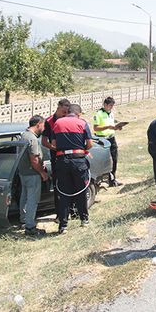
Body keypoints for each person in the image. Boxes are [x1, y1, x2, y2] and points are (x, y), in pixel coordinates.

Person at [51, 104, 93, 234]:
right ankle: (84, 220)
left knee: (64, 193)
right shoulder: (82, 123)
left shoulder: (57, 123)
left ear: (67, 112)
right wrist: (82, 149)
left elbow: (53, 144)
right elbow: (90, 144)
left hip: (62, 161)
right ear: (78, 114)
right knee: (81, 190)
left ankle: (63, 225)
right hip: (78, 160)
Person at [18, 115, 49, 237]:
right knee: (32, 200)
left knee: (24, 197)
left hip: (23, 172)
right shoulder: (32, 139)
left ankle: (24, 220)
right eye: (43, 125)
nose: (44, 127)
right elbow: (34, 160)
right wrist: (42, 172)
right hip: (32, 173)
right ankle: (30, 227)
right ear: (38, 125)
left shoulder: (23, 135)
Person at [42, 98, 71, 212]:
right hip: (56, 157)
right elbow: (44, 141)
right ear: (58, 108)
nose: (65, 114)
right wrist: (55, 149)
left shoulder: (69, 120)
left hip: (70, 156)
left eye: (67, 112)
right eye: (63, 112)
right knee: (58, 184)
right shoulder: (49, 121)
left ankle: (72, 210)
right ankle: (59, 212)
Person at [93, 97, 124, 187]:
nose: (111, 107)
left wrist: (116, 127)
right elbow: (95, 128)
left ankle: (112, 179)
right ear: (105, 105)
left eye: (112, 106)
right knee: (102, 160)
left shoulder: (111, 114)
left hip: (111, 138)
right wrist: (108, 127)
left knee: (114, 159)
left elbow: (111, 125)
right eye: (110, 105)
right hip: (102, 139)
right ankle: (98, 180)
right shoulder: (98, 114)